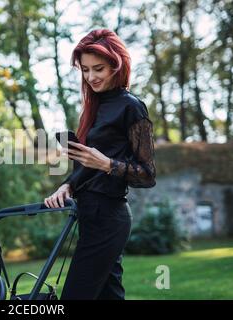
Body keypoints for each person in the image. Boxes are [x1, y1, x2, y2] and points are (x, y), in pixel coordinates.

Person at [44, 29, 156, 300]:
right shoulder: (92, 107)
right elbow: (86, 165)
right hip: (89, 213)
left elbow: (147, 174)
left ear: (116, 66)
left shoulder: (132, 107)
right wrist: (67, 186)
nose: (91, 77)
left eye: (99, 69)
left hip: (109, 216)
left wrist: (107, 163)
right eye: (85, 70)